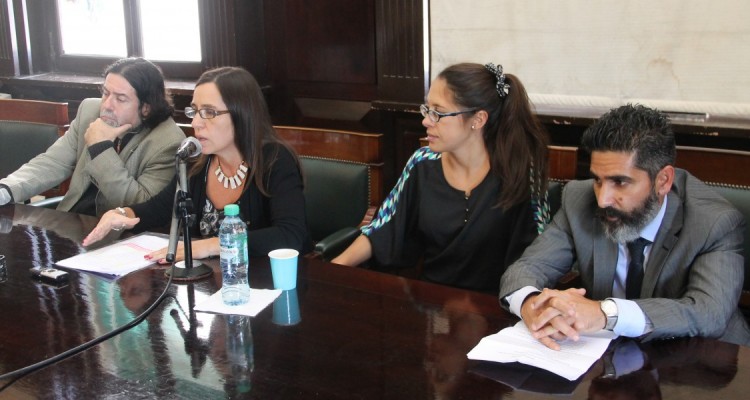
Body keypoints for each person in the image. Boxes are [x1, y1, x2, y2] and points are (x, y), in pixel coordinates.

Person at [500, 104, 750, 350]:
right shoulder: (579, 200)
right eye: (597, 179)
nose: (602, 199)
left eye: (620, 182)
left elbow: (709, 314)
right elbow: (527, 268)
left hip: (697, 359)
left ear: (663, 181)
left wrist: (605, 312)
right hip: (606, 356)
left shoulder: (715, 223)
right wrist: (532, 305)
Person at [332, 62, 550, 293]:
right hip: (431, 303)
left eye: (438, 112)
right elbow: (383, 228)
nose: (426, 121)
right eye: (427, 110)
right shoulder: (422, 163)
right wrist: (336, 268)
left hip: (498, 307)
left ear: (478, 119)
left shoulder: (520, 171)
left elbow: (538, 258)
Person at [82, 67, 312, 260]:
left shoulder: (275, 159)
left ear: (242, 114)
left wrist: (210, 245)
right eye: (195, 111)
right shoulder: (195, 161)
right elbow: (162, 209)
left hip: (266, 285)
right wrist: (121, 213)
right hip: (210, 284)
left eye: (209, 112)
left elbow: (291, 235)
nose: (196, 122)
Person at [0, 57, 185, 216]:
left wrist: (100, 148)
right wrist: (6, 189)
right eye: (105, 93)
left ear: (146, 107)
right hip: (70, 223)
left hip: (120, 238)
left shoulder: (167, 142)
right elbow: (53, 162)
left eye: (120, 99)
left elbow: (139, 205)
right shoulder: (90, 111)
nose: (107, 105)